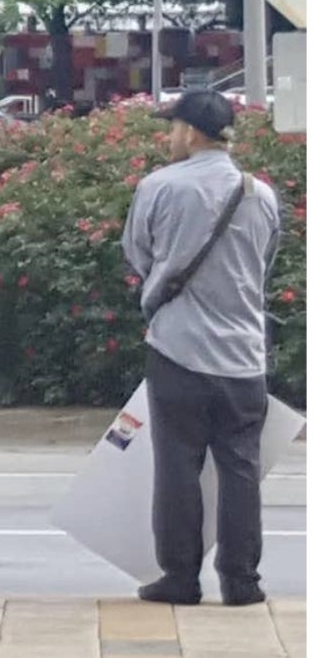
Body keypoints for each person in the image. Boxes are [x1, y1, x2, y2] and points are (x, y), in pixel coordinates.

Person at [121, 89, 281, 607]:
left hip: (178, 349)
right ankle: (242, 581)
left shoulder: (159, 186)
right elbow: (265, 262)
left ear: (191, 132)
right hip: (244, 356)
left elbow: (137, 254)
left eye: (173, 127)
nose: (170, 136)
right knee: (241, 468)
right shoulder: (260, 194)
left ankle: (180, 577)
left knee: (177, 466)